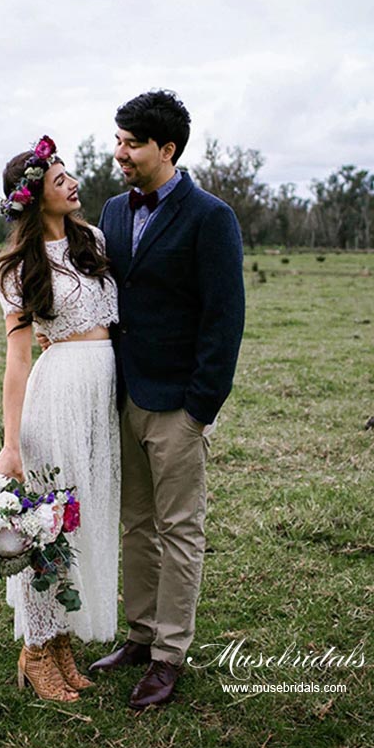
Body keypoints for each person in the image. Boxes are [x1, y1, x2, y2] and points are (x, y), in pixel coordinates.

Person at [89, 90, 245, 709]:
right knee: (136, 525)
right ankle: (140, 634)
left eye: (131, 143)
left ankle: (169, 655)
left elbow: (224, 318)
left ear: (167, 149)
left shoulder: (212, 217)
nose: (119, 152)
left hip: (180, 404)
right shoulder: (110, 210)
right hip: (124, 397)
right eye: (118, 140)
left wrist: (200, 407)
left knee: (181, 529)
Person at [0, 135, 120, 703]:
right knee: (50, 524)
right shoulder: (19, 268)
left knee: (82, 517)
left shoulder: (92, 240)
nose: (70, 181)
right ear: (33, 197)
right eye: (56, 177)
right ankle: (36, 648)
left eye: (68, 173)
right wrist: (12, 444)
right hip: (57, 393)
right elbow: (19, 359)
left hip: (102, 395)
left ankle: (62, 639)